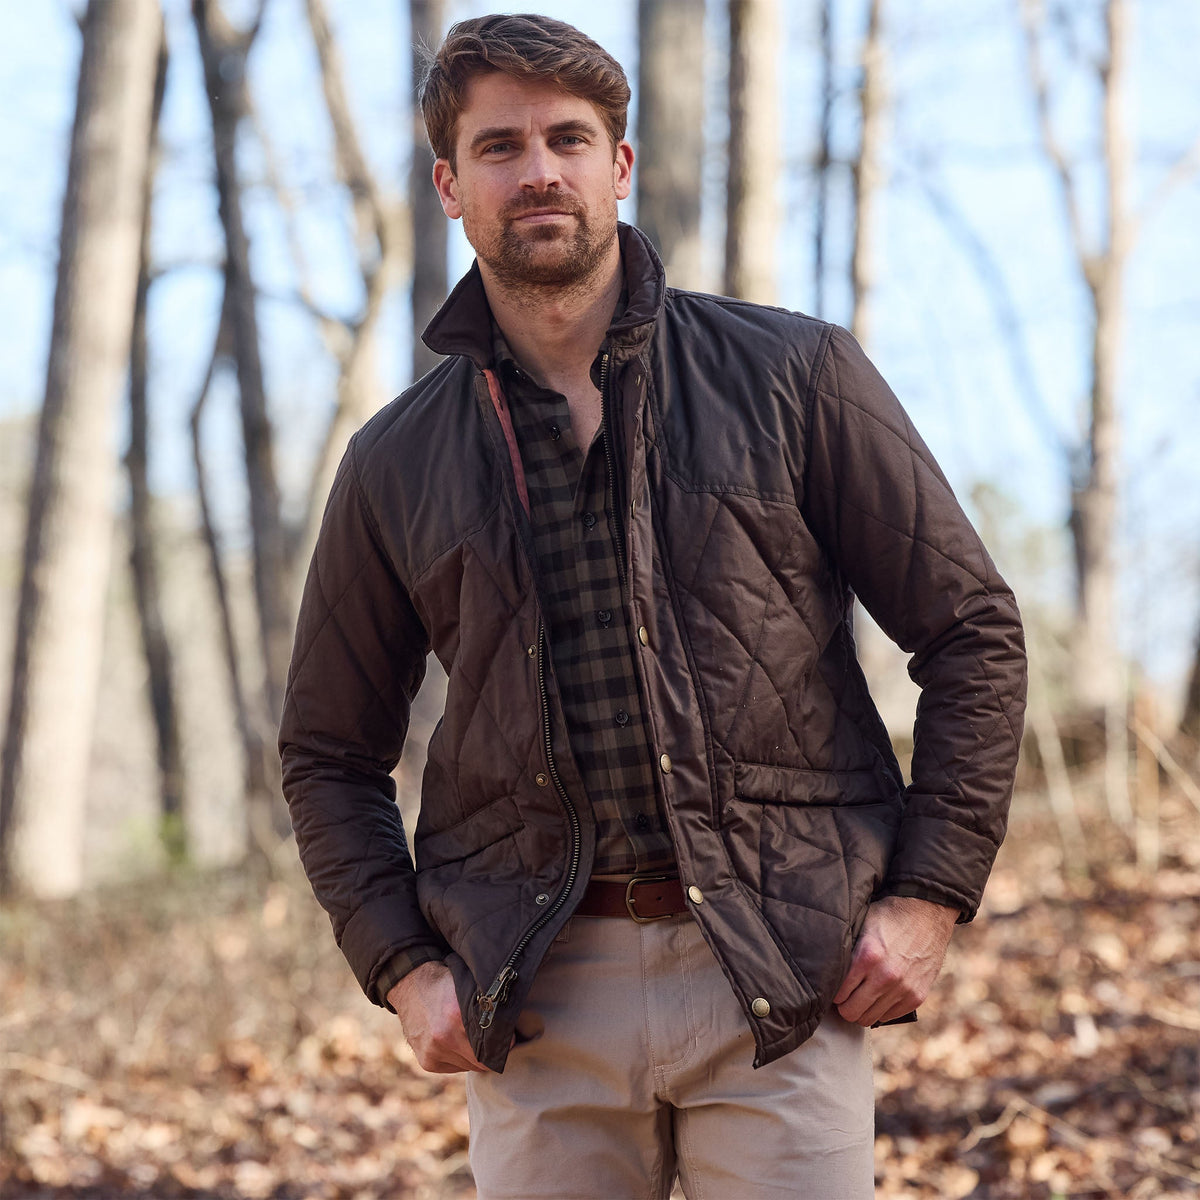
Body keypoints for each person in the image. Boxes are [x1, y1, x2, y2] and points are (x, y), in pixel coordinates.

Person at [279, 13, 1027, 1199]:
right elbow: (326, 751)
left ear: (618, 167)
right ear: (448, 184)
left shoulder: (795, 377)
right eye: (500, 146)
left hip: (777, 972)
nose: (540, 171)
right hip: (536, 999)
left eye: (570, 139)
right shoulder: (393, 463)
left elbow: (972, 628)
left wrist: (932, 893)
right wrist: (404, 965)